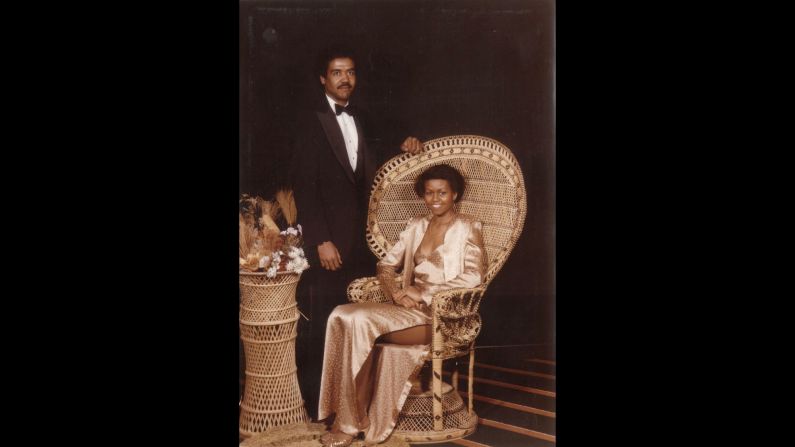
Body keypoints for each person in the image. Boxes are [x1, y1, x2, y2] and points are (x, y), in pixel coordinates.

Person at [290, 45, 423, 420]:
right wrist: (320, 239)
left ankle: (357, 405)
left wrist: (408, 145)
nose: (345, 78)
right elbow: (303, 184)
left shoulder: (363, 116)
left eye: (350, 72)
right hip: (330, 242)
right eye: (336, 72)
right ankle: (323, 407)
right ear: (322, 78)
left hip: (366, 243)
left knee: (360, 323)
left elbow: (380, 171)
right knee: (328, 323)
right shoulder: (308, 119)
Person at [317, 164, 487, 446]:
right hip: (404, 309)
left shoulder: (468, 228)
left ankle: (349, 425)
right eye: (429, 193)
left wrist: (425, 293)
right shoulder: (415, 226)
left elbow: (474, 276)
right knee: (341, 314)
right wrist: (397, 293)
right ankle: (346, 413)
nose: (435, 199)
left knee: (359, 321)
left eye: (442, 192)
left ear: (454, 194)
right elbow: (385, 266)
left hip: (442, 317)